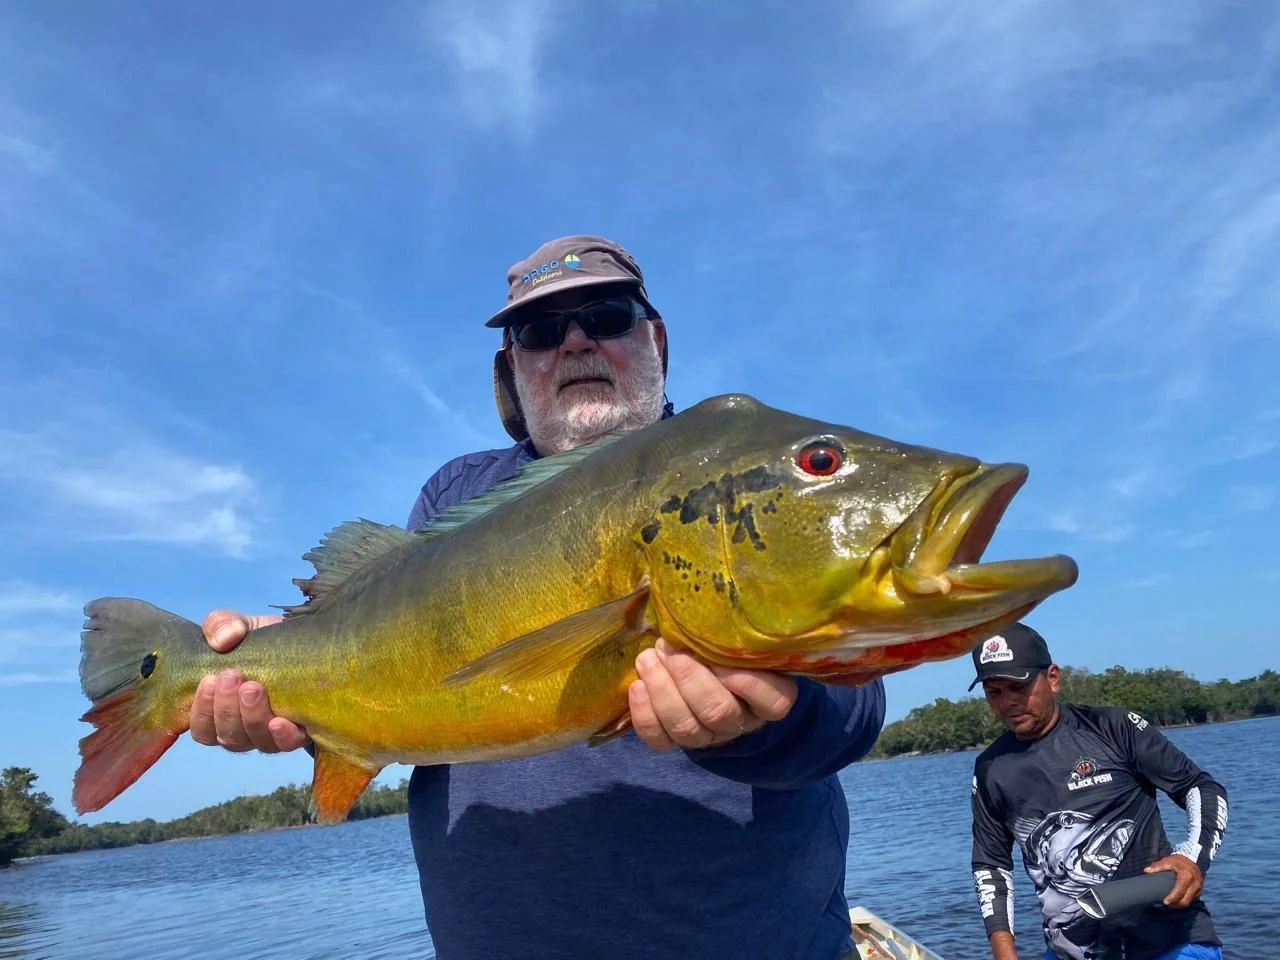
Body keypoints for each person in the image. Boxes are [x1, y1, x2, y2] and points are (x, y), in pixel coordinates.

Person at [186, 235, 889, 960]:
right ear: (512, 369)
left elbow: (852, 709)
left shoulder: (739, 465)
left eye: (608, 316)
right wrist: (275, 682)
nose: (576, 342)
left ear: (655, 338)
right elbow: (391, 662)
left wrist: (773, 719)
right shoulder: (457, 494)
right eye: (541, 330)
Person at [967, 622, 1229, 960]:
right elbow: (991, 865)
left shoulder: (1112, 728)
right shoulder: (991, 768)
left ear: (1053, 678)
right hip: (1074, 950)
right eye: (994, 692)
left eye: (1019, 687)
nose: (1008, 702)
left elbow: (1201, 788)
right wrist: (1004, 952)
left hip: (1172, 942)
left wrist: (1191, 857)